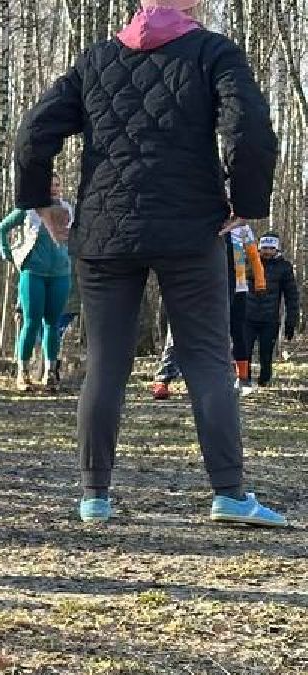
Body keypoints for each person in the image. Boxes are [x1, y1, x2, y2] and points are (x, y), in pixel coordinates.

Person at [15, 0, 286, 527]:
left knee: (106, 362)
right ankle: (229, 493)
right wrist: (247, 203)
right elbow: (249, 127)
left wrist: (40, 202)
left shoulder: (97, 59)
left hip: (105, 228)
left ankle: (95, 496)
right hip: (191, 227)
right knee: (207, 358)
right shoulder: (212, 53)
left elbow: (33, 133)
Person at [0, 177, 75, 392]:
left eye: (57, 185)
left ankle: (50, 373)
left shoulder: (68, 209)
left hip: (60, 274)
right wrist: (9, 255)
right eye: (50, 185)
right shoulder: (29, 209)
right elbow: (2, 229)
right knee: (30, 322)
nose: (55, 189)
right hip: (33, 273)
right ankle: (23, 372)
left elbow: (78, 236)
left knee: (53, 323)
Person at [245, 233, 298, 389]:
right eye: (264, 248)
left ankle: (264, 382)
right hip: (247, 317)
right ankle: (243, 380)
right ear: (259, 248)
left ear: (277, 249)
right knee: (243, 352)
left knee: (266, 353)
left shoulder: (284, 267)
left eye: (271, 248)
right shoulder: (249, 262)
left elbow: (291, 296)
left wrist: (291, 321)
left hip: (270, 319)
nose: (267, 251)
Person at [222, 222, 264, 392]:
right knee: (217, 330)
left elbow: (254, 255)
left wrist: (260, 281)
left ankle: (243, 377)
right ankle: (217, 374)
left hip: (239, 286)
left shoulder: (243, 228)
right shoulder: (211, 220)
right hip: (215, 286)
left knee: (238, 330)